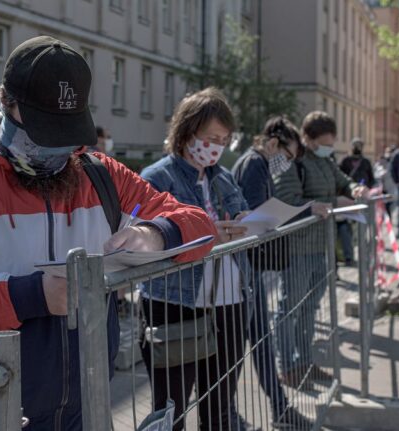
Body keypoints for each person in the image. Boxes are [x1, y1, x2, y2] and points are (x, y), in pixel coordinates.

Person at [0, 36, 216, 431]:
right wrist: (30, 295)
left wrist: (156, 234)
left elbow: (200, 225)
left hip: (87, 408)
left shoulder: (99, 174)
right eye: (45, 130)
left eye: (67, 132)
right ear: (5, 102)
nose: (59, 148)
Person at [139, 87, 252, 431]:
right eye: (210, 137)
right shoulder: (157, 178)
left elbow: (243, 217)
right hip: (175, 302)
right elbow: (144, 240)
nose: (217, 146)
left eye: (224, 139)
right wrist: (204, 236)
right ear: (187, 132)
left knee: (219, 405)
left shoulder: (224, 177)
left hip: (230, 302)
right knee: (170, 409)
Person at [272, 111, 367, 387]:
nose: (329, 147)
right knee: (290, 308)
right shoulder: (291, 161)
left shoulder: (325, 161)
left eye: (332, 141)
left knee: (310, 308)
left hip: (321, 246)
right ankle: (287, 366)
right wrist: (332, 200)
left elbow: (342, 180)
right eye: (324, 142)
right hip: (298, 248)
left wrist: (356, 189)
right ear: (308, 138)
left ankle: (305, 362)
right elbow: (286, 199)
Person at [231, 116, 310, 428]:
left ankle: (277, 408)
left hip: (245, 267)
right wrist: (290, 214)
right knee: (247, 344)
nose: (286, 165)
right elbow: (251, 214)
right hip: (243, 266)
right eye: (287, 157)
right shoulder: (254, 165)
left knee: (256, 341)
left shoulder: (255, 164)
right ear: (273, 144)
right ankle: (241, 412)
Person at [337, 138, 375, 266]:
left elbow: (371, 179)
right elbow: (341, 179)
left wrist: (366, 190)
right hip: (348, 200)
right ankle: (349, 255)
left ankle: (363, 253)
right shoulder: (345, 161)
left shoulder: (365, 162)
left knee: (362, 227)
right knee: (347, 229)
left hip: (362, 199)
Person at [373, 146, 397, 217]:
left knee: (392, 207)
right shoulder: (380, 163)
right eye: (387, 152)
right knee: (384, 209)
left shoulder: (394, 163)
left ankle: (389, 222)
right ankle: (387, 223)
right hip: (382, 190)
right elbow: (376, 174)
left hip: (392, 189)